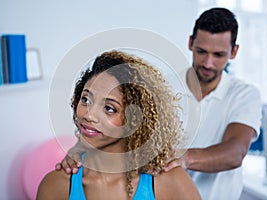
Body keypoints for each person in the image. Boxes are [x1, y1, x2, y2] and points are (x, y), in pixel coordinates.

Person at [56, 8, 263, 200]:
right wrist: (79, 149)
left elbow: (235, 151)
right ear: (190, 43)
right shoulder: (162, 89)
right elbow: (121, 128)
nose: (208, 63)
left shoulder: (244, 95)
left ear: (234, 52)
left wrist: (185, 158)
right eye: (201, 51)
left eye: (218, 55)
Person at [37, 50, 201, 199]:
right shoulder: (56, 186)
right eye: (86, 99)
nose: (89, 115)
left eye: (109, 108)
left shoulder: (170, 183)